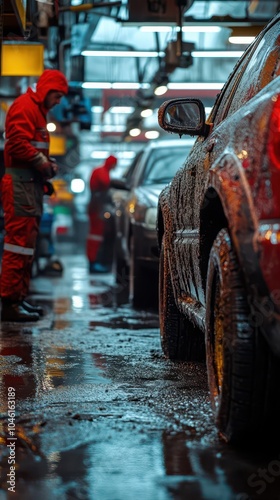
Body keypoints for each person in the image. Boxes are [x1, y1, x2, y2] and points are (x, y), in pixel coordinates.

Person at [0, 69, 68, 322]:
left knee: (26, 245)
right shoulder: (25, 107)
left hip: (28, 184)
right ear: (48, 89)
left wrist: (44, 168)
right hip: (20, 184)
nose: (59, 101)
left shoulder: (37, 112)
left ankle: (18, 298)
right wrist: (43, 164)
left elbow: (28, 145)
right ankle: (9, 302)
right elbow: (16, 143)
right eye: (58, 95)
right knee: (18, 244)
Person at [86, 155, 118, 274]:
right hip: (97, 208)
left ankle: (95, 261)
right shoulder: (101, 172)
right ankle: (93, 262)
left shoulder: (101, 171)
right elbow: (104, 183)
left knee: (97, 235)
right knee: (96, 235)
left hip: (97, 207)